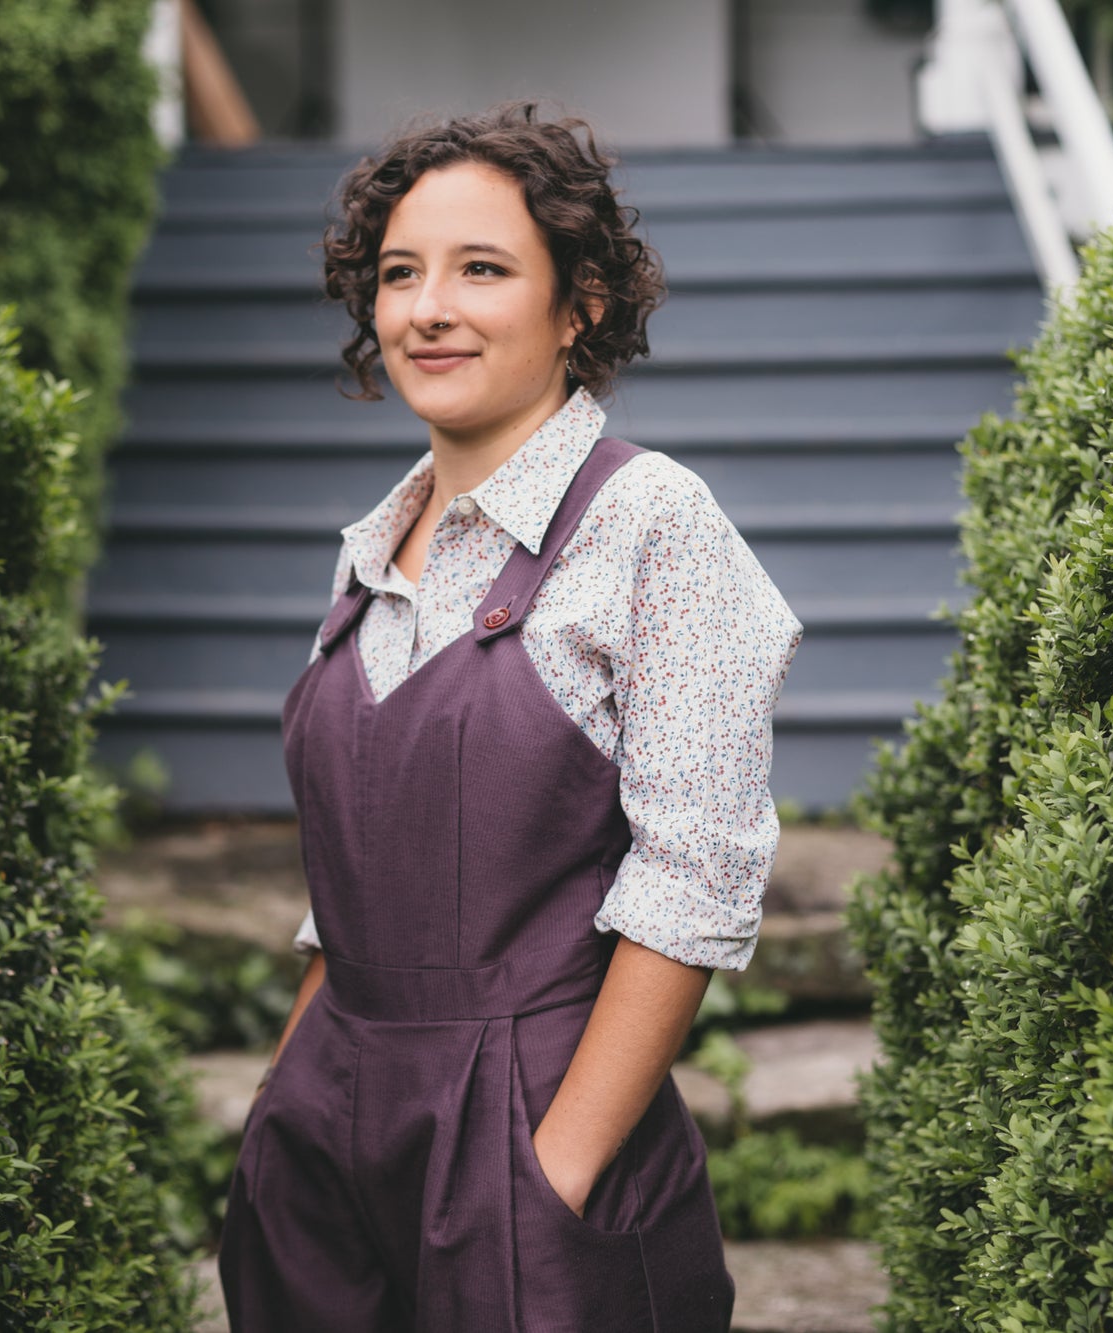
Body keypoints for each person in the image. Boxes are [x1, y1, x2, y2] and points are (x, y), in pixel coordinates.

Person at [217, 103, 803, 1333]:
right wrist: (284, 1104)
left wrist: (556, 1170)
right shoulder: (371, 550)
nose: (428, 307)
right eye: (397, 273)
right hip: (327, 1134)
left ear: (578, 301)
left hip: (528, 1123)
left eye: (481, 268)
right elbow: (360, 882)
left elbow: (694, 875)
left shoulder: (653, 526)